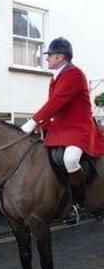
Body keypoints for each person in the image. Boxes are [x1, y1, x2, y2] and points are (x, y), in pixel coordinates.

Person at [21, 37, 104, 222]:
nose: (47, 58)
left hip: (79, 128)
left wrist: (33, 121)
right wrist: (42, 126)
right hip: (63, 128)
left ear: (60, 57)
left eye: (49, 55)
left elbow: (56, 102)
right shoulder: (56, 77)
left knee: (70, 159)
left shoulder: (74, 74)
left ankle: (79, 205)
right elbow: (56, 109)